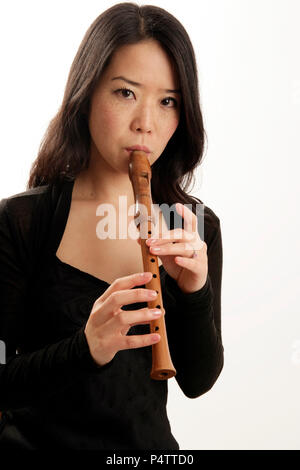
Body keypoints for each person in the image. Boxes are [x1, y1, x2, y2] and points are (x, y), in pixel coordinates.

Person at [0, 2, 224, 450]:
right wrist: (85, 347)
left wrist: (194, 293)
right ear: (86, 94)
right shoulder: (21, 222)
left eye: (167, 102)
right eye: (125, 93)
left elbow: (198, 382)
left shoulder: (195, 226)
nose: (146, 124)